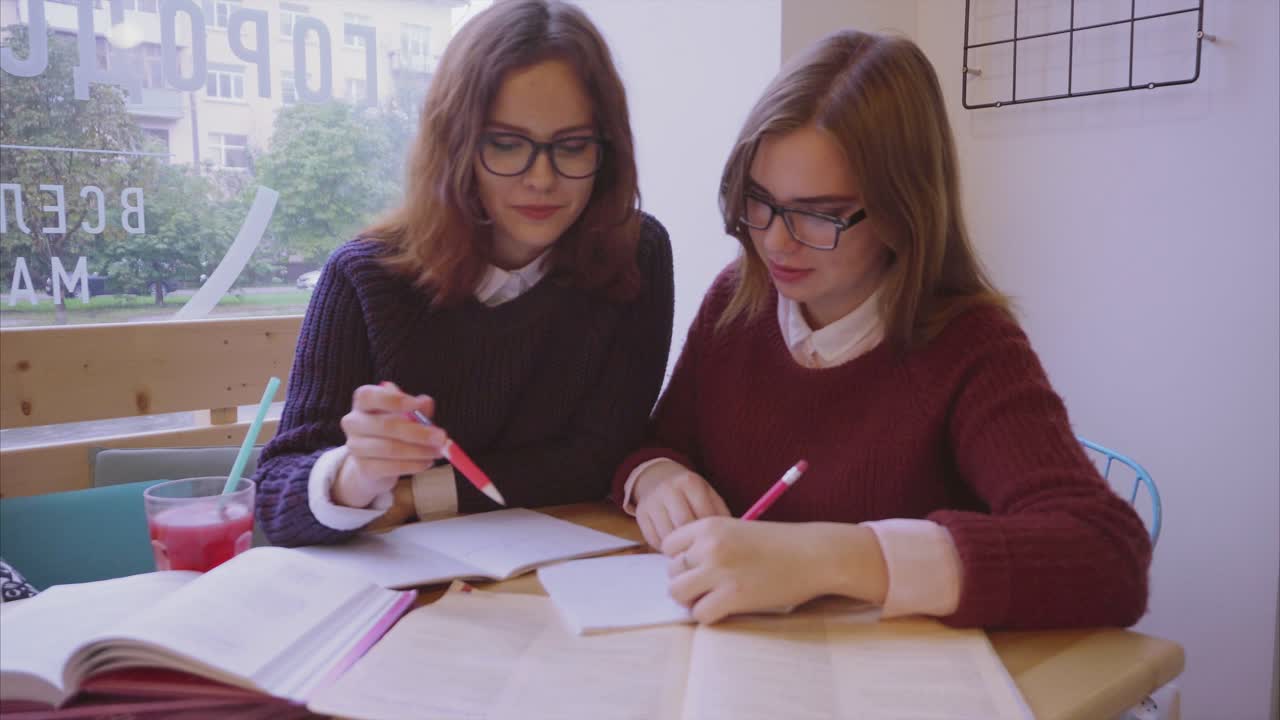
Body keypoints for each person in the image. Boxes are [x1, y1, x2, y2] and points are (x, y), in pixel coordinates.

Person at [613, 30, 1150, 630]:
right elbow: (661, 442)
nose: (774, 241)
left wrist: (831, 556)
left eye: (820, 215)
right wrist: (656, 476)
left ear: (903, 211)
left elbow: (1109, 556)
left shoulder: (969, 346)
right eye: (759, 200)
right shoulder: (740, 298)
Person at [257, 0, 673, 547]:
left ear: (608, 149)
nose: (542, 179)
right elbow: (275, 501)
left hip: (559, 577)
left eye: (572, 146)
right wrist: (358, 474)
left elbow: (597, 458)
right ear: (455, 145)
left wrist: (413, 496)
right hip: (400, 601)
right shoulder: (365, 276)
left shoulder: (634, 253)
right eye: (506, 143)